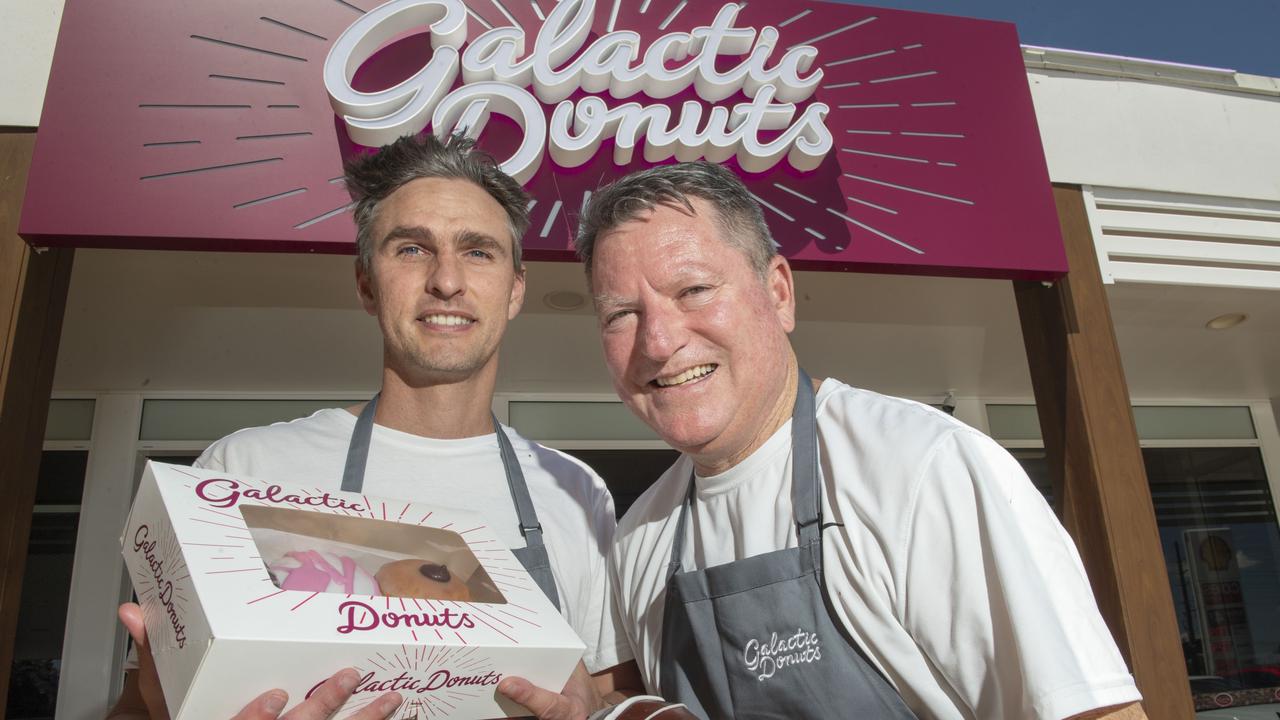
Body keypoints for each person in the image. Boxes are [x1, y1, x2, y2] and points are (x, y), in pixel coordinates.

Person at [574, 161, 1148, 720]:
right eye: (621, 314)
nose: (658, 340)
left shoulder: (924, 468)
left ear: (778, 293)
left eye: (694, 289)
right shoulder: (638, 541)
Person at [107, 133, 638, 720]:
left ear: (515, 290)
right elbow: (140, 706)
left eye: (479, 252)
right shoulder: (243, 472)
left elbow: (608, 694)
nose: (446, 281)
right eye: (412, 249)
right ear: (366, 284)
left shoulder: (573, 490)